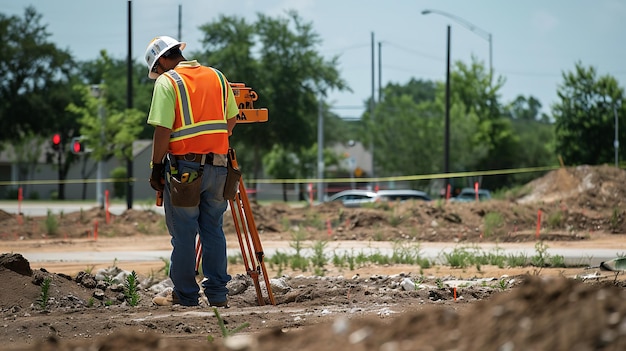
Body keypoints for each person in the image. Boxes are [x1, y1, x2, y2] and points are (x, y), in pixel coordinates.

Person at [145, 35, 239, 307]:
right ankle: (218, 295)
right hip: (220, 167)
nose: (159, 73)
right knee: (213, 228)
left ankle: (186, 295)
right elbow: (231, 120)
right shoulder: (218, 77)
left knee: (184, 232)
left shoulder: (168, 82)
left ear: (162, 59)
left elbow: (163, 129)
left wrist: (156, 167)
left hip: (185, 169)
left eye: (157, 67)